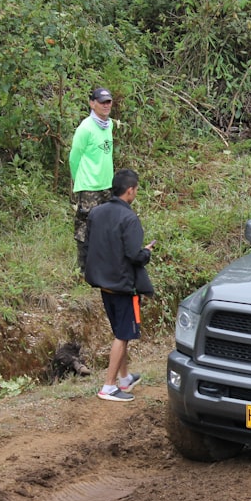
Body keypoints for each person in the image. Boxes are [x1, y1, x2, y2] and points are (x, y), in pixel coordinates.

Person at [83, 169, 154, 402]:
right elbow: (134, 255)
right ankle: (109, 386)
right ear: (130, 190)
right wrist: (146, 252)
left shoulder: (96, 213)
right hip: (124, 286)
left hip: (104, 283)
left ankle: (124, 379)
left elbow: (89, 244)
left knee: (118, 331)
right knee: (123, 335)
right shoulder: (129, 218)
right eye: (136, 189)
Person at [69, 87, 115, 272]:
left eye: (108, 102)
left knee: (105, 226)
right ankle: (84, 268)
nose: (106, 105)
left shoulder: (109, 124)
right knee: (85, 225)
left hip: (107, 185)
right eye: (102, 102)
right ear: (92, 103)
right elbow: (74, 157)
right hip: (89, 186)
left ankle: (102, 264)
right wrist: (78, 182)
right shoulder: (85, 128)